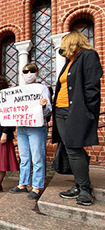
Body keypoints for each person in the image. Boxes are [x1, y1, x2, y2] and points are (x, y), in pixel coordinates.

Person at [52, 31, 103, 206]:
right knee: (70, 148)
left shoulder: (88, 56)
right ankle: (79, 183)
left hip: (75, 111)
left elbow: (92, 87)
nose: (62, 49)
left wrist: (88, 111)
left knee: (74, 148)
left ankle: (85, 190)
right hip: (60, 111)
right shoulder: (69, 62)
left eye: (64, 44)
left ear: (73, 42)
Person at [9, 63, 52, 200]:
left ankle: (37, 186)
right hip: (22, 127)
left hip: (37, 127)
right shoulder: (19, 90)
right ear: (22, 73)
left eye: (31, 71)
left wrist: (43, 106)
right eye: (25, 71)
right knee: (24, 156)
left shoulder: (42, 88)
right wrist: (1, 106)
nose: (28, 73)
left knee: (37, 157)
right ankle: (23, 184)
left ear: (37, 73)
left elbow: (48, 110)